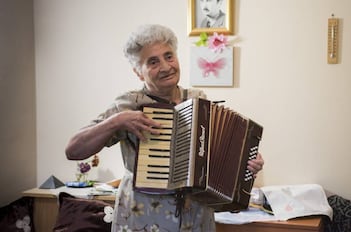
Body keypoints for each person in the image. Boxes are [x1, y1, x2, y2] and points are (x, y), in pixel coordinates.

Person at [65, 24, 264, 232]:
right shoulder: (128, 105)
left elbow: (216, 161)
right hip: (144, 217)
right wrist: (117, 121)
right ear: (138, 73)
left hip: (196, 217)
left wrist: (246, 164)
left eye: (169, 56)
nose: (166, 66)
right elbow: (73, 150)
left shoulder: (198, 101)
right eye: (153, 62)